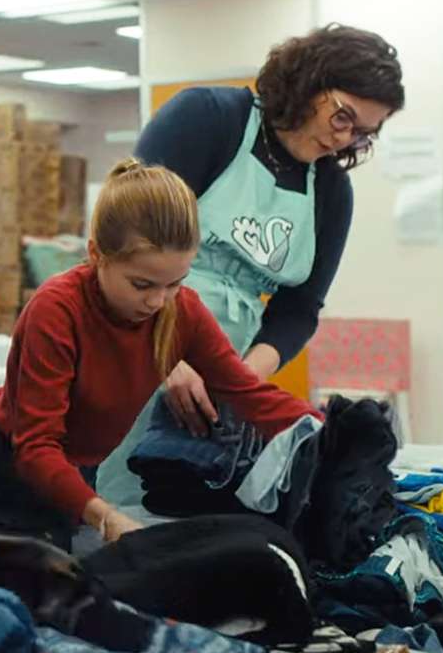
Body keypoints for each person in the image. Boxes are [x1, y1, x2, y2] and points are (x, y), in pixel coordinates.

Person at [95, 25, 404, 507]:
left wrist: (238, 381)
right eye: (342, 115)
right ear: (309, 81)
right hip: (134, 336)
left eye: (362, 132)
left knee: (176, 513)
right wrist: (163, 356)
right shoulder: (208, 119)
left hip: (223, 367)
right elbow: (122, 238)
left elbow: (299, 309)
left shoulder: (330, 193)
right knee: (104, 504)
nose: (344, 138)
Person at [0, 160, 321, 550]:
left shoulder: (183, 312)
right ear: (97, 255)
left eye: (175, 283)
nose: (158, 301)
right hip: (7, 473)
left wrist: (329, 430)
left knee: (53, 597)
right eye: (141, 284)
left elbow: (248, 394)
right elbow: (37, 447)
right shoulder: (56, 311)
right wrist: (106, 516)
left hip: (73, 470)